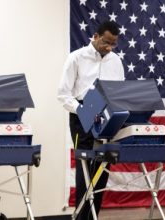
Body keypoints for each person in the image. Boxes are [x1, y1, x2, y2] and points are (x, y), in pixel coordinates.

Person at [57, 21, 125, 220]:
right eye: (105, 42)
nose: (108, 47)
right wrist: (83, 111)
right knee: (85, 168)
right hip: (81, 117)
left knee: (103, 166)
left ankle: (94, 216)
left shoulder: (116, 61)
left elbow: (119, 92)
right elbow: (63, 95)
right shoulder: (76, 57)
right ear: (95, 36)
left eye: (113, 44)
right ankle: (81, 216)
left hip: (107, 117)